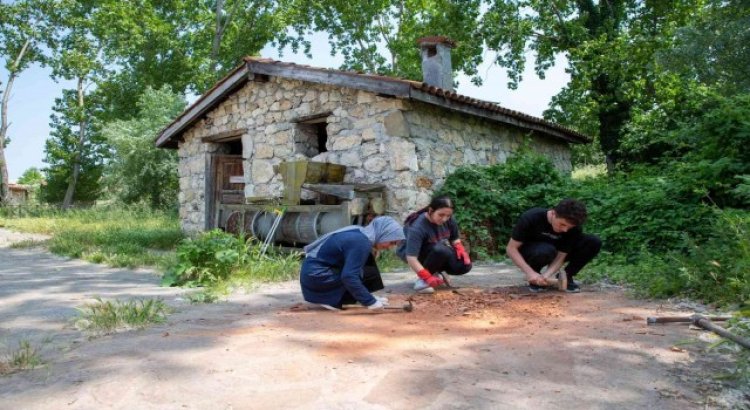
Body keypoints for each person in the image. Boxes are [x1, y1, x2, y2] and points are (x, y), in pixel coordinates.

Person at [300, 216, 405, 311]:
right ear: (383, 234)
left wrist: (367, 297)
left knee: (366, 267)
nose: (390, 247)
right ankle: (331, 300)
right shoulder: (361, 242)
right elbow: (349, 276)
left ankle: (355, 298)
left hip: (314, 276)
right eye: (391, 242)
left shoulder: (361, 233)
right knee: (354, 273)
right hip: (317, 277)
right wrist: (370, 301)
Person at [506, 198, 601, 293]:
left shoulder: (574, 229)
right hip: (533, 251)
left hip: (555, 250)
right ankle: (535, 274)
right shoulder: (531, 217)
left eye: (569, 227)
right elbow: (511, 248)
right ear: (553, 213)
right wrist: (530, 273)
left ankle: (566, 276)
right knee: (544, 250)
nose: (565, 230)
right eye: (562, 224)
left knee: (593, 242)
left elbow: (561, 255)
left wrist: (546, 275)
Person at [396, 195, 473, 293]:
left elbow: (454, 238)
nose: (445, 219)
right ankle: (422, 281)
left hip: (434, 249)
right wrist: (426, 276)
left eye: (448, 216)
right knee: (441, 250)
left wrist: (461, 249)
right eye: (441, 215)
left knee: (464, 265)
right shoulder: (417, 227)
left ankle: (436, 272)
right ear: (431, 211)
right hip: (412, 253)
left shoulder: (448, 218)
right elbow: (411, 258)